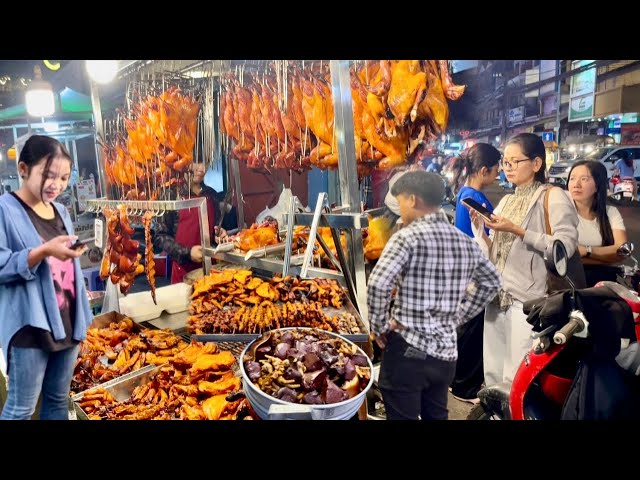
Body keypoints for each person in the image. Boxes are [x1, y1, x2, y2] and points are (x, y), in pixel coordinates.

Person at [368, 171, 501, 420]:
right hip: (443, 354)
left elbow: (377, 284)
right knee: (436, 413)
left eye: (401, 202)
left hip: (408, 350)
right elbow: (492, 281)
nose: (401, 210)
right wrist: (459, 315)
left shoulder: (405, 239)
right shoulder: (464, 242)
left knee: (402, 413)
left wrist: (379, 328)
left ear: (414, 200)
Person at [470, 133, 579, 386]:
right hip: (497, 298)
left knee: (517, 376)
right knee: (494, 373)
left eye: (514, 161)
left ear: (536, 163)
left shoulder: (552, 196)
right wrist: (480, 230)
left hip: (528, 302)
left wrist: (518, 230)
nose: (507, 168)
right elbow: (493, 248)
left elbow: (565, 246)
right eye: (505, 162)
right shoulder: (507, 200)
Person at [0, 134, 92, 420]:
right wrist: (41, 252)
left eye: (64, 178)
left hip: (67, 321)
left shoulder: (61, 210)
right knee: (21, 409)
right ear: (23, 169)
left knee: (56, 402)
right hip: (30, 325)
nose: (57, 185)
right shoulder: (4, 209)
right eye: (49, 175)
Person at [448, 143, 501, 403]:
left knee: (464, 329)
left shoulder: (464, 193)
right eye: (497, 169)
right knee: (471, 332)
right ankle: (464, 389)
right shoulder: (476, 198)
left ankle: (456, 381)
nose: (499, 173)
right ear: (483, 170)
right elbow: (489, 235)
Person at [154, 162, 218, 284]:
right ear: (183, 163)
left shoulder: (211, 194)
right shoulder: (170, 195)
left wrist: (219, 234)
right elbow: (160, 237)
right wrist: (188, 253)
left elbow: (214, 230)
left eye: (206, 162)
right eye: (197, 162)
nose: (202, 168)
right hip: (183, 273)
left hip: (211, 270)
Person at [567, 160, 627, 287]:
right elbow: (561, 258)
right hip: (569, 282)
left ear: (598, 185)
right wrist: (607, 257)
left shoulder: (610, 212)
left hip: (604, 284)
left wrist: (586, 251)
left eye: (584, 179)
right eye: (572, 179)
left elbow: (622, 251)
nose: (576, 184)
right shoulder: (562, 212)